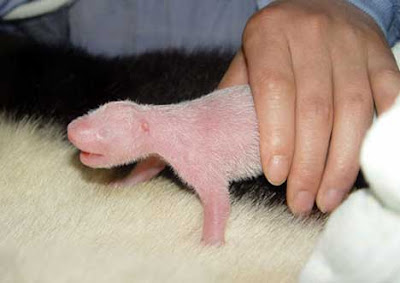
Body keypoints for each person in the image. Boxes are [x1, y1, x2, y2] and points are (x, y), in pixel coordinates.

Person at [1, 0, 399, 215]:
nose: (84, 132)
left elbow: (216, 198)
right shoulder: (155, 134)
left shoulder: (176, 145)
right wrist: (128, 181)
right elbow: (154, 155)